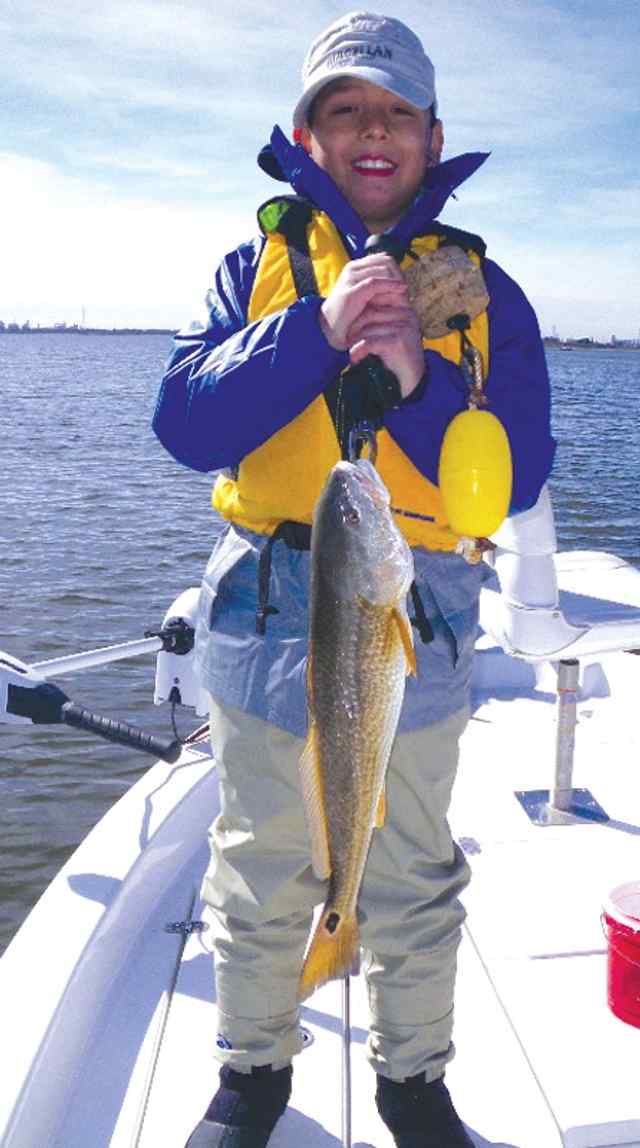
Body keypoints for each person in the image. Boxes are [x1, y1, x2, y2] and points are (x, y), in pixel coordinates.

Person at [153, 11, 555, 1147]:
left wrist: (417, 376)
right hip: (262, 609)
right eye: (344, 110)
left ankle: (412, 1080)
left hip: (406, 606)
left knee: (414, 863)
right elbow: (183, 423)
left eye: (393, 111)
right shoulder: (251, 269)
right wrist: (310, 332)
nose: (370, 131)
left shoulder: (483, 292)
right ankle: (253, 1072)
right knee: (261, 860)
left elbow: (519, 468)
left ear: (432, 134)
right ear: (304, 133)